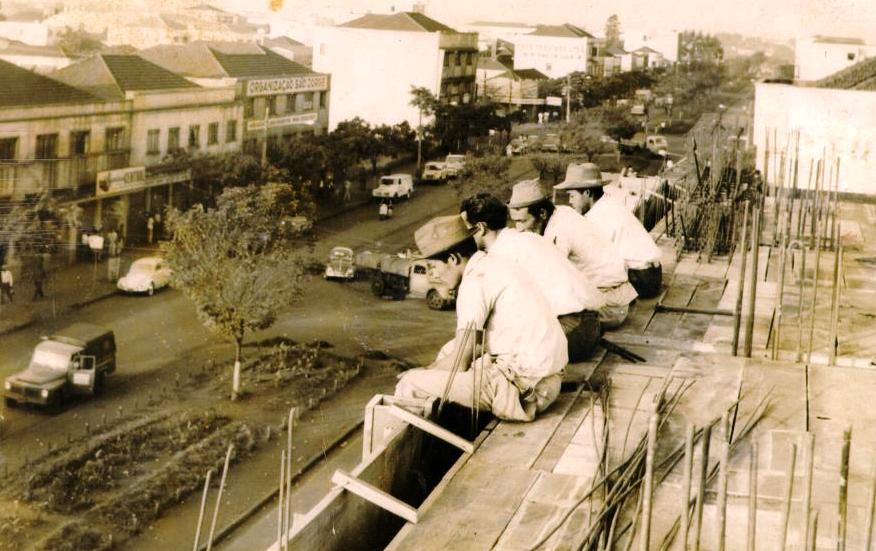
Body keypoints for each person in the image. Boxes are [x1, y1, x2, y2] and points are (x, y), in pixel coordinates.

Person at [395, 214, 567, 422]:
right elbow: (467, 349)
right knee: (448, 350)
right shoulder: (492, 264)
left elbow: (460, 363)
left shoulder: (474, 282)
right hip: (546, 382)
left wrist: (421, 372)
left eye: (433, 267)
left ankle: (412, 449)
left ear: (452, 259)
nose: (432, 275)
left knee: (410, 383)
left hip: (524, 394)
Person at [459, 193, 604, 361]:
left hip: (571, 335)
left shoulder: (499, 256)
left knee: (484, 349)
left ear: (481, 228)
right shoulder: (527, 237)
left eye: (465, 230)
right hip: (590, 326)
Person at [507, 178, 638, 328]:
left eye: (523, 221)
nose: (519, 229)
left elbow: (546, 279)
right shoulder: (562, 213)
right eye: (515, 222)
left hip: (609, 307)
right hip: (616, 299)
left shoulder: (558, 232)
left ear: (542, 213)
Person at [555, 162, 663, 299]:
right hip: (652, 273)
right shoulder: (608, 204)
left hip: (641, 279)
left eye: (572, 196)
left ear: (587, 193)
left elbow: (594, 260)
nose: (570, 201)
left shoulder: (598, 216)